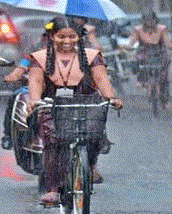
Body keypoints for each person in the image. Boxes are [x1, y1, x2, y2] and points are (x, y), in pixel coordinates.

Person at [28, 17, 122, 204]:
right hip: (52, 104)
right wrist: (34, 100)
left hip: (86, 102)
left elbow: (101, 79)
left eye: (72, 37)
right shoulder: (40, 57)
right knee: (52, 143)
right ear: (52, 36)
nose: (67, 41)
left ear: (78, 37)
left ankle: (91, 165)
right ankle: (53, 189)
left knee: (95, 137)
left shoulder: (92, 55)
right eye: (61, 36)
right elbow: (36, 81)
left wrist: (112, 97)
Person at [125, 10, 172, 109]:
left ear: (155, 20)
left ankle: (165, 101)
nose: (148, 22)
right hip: (144, 54)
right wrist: (128, 46)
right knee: (136, 62)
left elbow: (167, 42)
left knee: (164, 79)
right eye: (145, 20)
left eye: (150, 20)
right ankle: (142, 79)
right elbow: (132, 42)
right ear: (142, 21)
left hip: (160, 54)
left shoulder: (162, 29)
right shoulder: (137, 30)